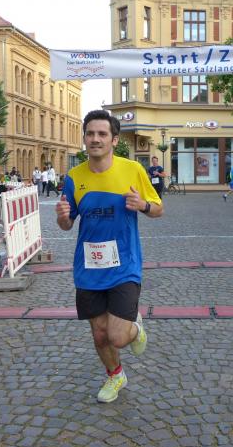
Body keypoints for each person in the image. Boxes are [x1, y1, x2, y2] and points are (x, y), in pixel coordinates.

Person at [55, 110, 163, 403]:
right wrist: (63, 217)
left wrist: (143, 205)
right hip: (88, 268)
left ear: (114, 140)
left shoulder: (132, 170)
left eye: (102, 134)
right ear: (84, 138)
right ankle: (116, 375)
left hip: (124, 265)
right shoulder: (74, 177)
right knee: (100, 335)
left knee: (117, 336)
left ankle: (135, 328)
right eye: (90, 133)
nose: (95, 139)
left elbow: (158, 208)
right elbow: (66, 224)